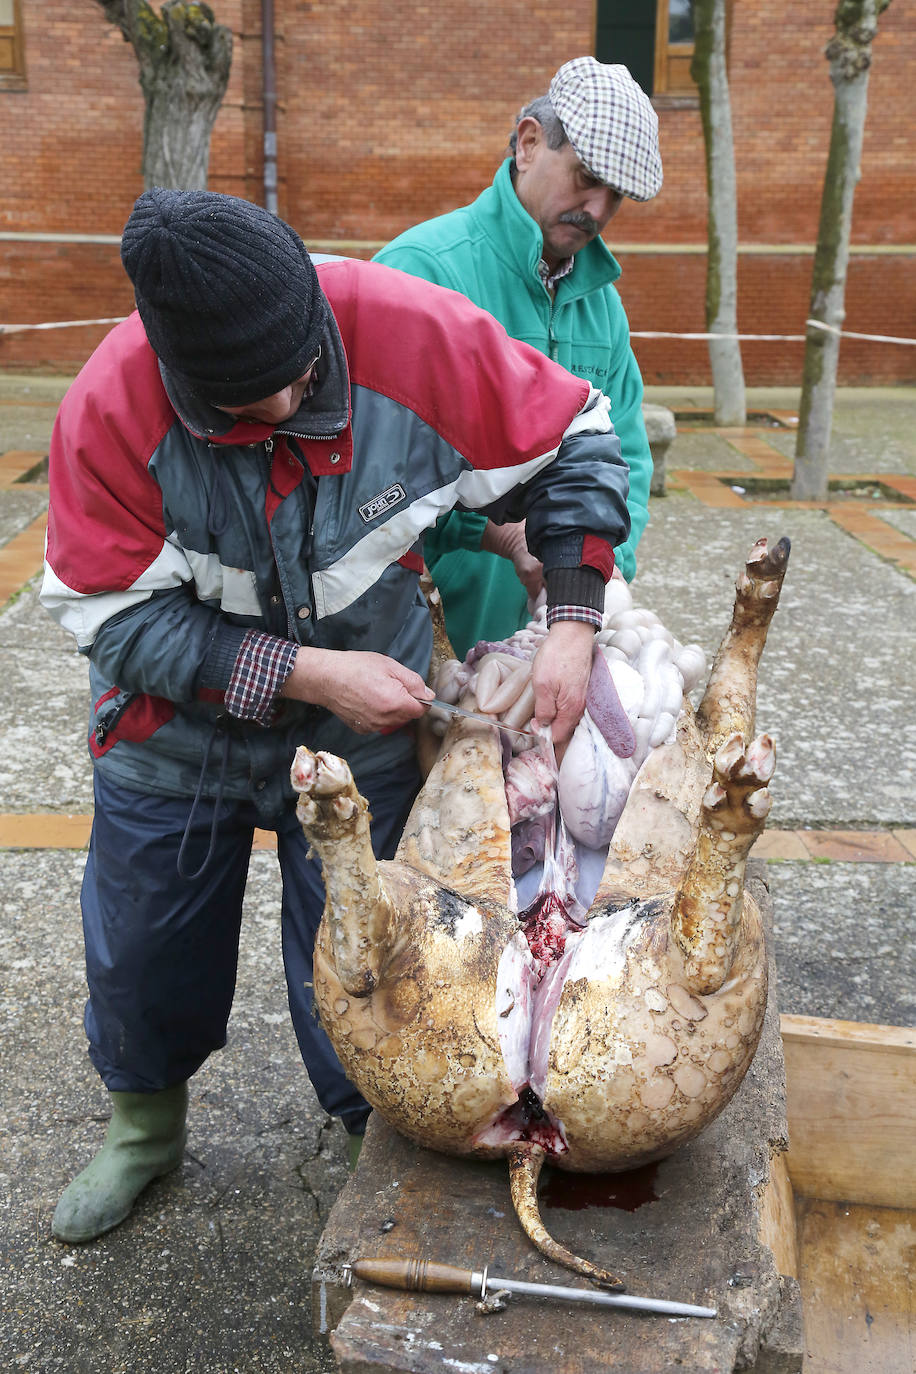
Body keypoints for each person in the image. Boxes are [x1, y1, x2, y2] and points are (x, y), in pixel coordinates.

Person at [41, 188, 631, 1243]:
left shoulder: (405, 329)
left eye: (303, 376)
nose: (287, 403)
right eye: (251, 402)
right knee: (144, 945)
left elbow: (575, 435)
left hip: (364, 712)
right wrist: (309, 672)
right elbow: (110, 619)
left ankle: (374, 1128)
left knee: (376, 952)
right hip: (173, 732)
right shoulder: (110, 410)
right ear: (182, 376)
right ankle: (144, 1129)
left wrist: (574, 619)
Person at [374, 56, 662, 659]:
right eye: (586, 177)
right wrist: (500, 534)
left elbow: (627, 458)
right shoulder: (420, 273)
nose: (598, 210)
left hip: (550, 639)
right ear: (529, 143)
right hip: (414, 637)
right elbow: (368, 475)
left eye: (616, 195)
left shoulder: (603, 307)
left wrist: (599, 567)